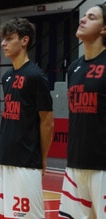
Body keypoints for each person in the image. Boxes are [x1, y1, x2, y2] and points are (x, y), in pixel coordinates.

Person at [0, 17, 54, 219]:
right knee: (1, 215)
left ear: (25, 40)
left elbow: (47, 121)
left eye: (9, 39)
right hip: (3, 158)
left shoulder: (36, 77)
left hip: (26, 160)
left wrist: (43, 158)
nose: (3, 44)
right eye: (3, 39)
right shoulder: (7, 76)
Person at [58, 3, 106, 218]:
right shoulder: (74, 68)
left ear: (104, 28)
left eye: (92, 17)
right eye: (83, 15)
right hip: (75, 164)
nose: (83, 19)